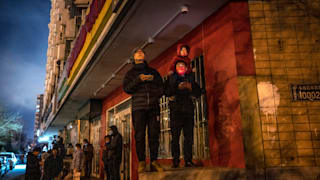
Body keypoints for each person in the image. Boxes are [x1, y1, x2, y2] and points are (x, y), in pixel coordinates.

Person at [123, 48, 164, 173]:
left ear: (145, 56)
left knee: (154, 135)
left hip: (153, 108)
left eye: (142, 51)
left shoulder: (153, 72)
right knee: (139, 135)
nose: (140, 51)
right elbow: (127, 88)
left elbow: (161, 87)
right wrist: (138, 79)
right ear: (134, 57)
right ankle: (141, 161)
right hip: (138, 108)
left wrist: (155, 92)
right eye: (137, 51)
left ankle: (154, 161)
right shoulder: (130, 73)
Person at [165, 60, 201, 168]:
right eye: (178, 65)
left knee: (189, 137)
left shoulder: (190, 79)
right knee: (175, 137)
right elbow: (165, 92)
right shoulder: (171, 78)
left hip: (188, 111)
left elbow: (198, 92)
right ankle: (175, 161)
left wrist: (191, 88)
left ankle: (188, 160)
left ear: (186, 68)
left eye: (183, 65)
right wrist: (177, 88)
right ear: (175, 68)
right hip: (176, 111)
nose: (181, 67)